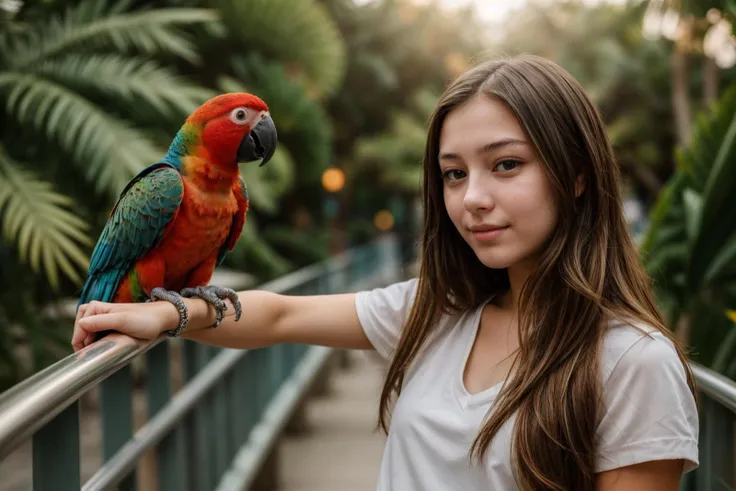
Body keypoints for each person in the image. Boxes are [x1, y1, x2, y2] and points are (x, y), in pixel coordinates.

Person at [72, 55, 699, 491]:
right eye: (454, 174)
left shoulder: (633, 363)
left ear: (579, 174)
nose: (472, 198)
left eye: (505, 165)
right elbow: (280, 313)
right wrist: (164, 311)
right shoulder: (439, 311)